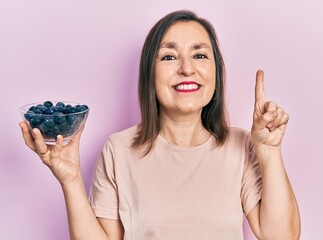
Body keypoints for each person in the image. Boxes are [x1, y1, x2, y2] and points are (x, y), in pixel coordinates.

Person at [19, 10, 301, 240]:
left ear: (216, 72)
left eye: (200, 55)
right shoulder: (119, 150)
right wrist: (70, 180)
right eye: (169, 56)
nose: (187, 68)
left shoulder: (240, 146)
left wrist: (269, 151)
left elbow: (283, 237)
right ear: (149, 75)